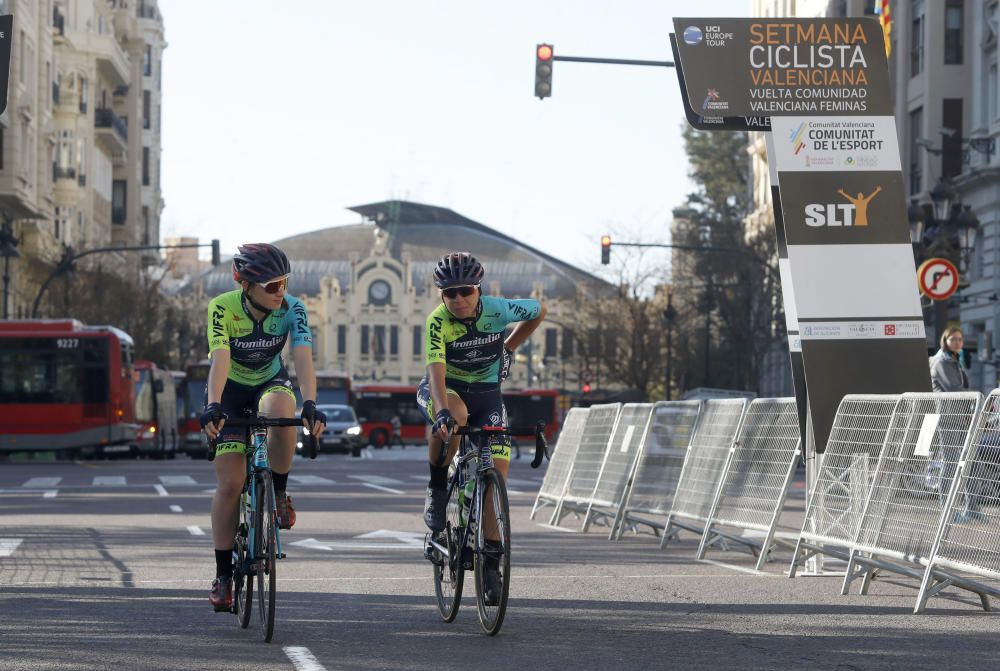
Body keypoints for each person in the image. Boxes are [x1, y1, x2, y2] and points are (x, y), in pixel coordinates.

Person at [199, 243, 327, 612]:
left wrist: (310, 404)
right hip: (229, 389)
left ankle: (281, 494)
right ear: (246, 285)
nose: (280, 292)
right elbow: (220, 357)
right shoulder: (222, 307)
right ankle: (223, 576)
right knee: (230, 484)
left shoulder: (293, 309)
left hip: (269, 381)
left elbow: (302, 358)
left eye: (284, 282)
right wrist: (213, 405)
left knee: (281, 407)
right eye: (271, 286)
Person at [417, 251, 546, 604]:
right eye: (450, 293)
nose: (458, 299)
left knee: (494, 479)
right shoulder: (437, 322)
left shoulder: (498, 310)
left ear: (478, 290)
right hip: (447, 389)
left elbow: (538, 311)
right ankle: (437, 487)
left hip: (488, 395)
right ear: (441, 295)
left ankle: (491, 565)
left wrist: (509, 347)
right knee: (455, 417)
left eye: (465, 291)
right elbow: (436, 370)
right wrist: (441, 412)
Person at [928, 327, 970, 514]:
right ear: (944, 341)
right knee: (951, 462)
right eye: (953, 339)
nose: (957, 342)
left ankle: (972, 508)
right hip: (948, 418)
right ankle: (947, 509)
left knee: (969, 461)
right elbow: (954, 387)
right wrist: (975, 398)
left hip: (961, 418)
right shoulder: (941, 362)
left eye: (960, 339)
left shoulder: (955, 361)